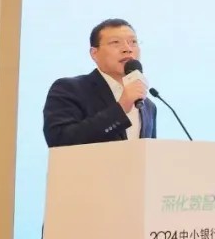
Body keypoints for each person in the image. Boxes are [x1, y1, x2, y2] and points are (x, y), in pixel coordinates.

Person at [42, 18, 158, 148]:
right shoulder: (69, 89)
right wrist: (121, 108)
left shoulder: (148, 106)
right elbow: (59, 140)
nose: (127, 49)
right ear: (94, 53)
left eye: (133, 42)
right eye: (115, 42)